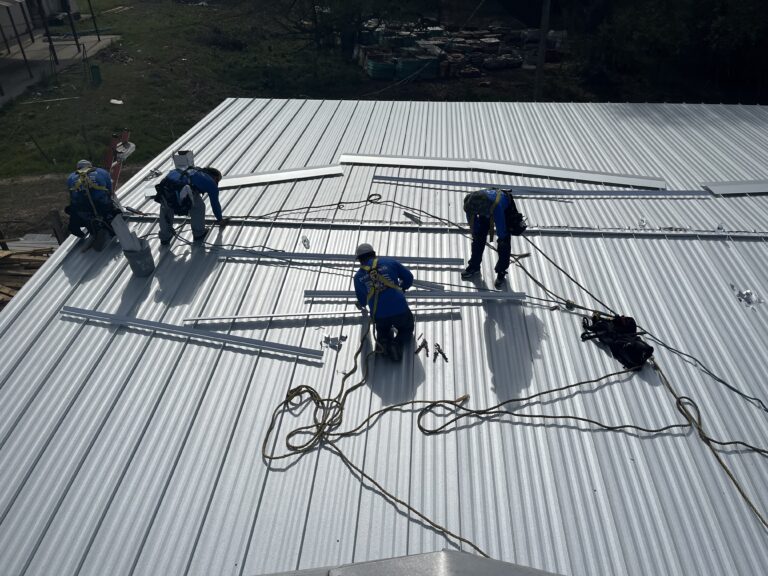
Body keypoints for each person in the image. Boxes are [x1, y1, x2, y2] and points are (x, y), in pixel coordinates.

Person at [353, 243, 414, 361]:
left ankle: (383, 343)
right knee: (406, 329)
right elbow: (408, 278)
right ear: (374, 254)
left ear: (360, 260)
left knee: (383, 330)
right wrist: (403, 287)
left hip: (379, 314)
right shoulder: (390, 262)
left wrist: (361, 302)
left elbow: (363, 301)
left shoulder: (358, 277)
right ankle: (397, 343)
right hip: (399, 309)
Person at [461, 188, 526, 288]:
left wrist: (503, 237)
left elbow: (502, 233)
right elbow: (474, 225)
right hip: (487, 205)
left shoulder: (497, 208)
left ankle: (501, 272)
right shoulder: (469, 203)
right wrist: (476, 234)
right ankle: (474, 266)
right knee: (478, 236)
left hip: (502, 204)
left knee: (504, 241)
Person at [154, 164, 225, 245]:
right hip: (181, 189)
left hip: (165, 187)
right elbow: (215, 204)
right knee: (199, 207)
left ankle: (164, 237)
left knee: (166, 209)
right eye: (217, 180)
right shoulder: (210, 182)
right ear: (214, 176)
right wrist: (220, 219)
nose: (216, 183)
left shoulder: (193, 170)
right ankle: (199, 233)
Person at [65, 159, 121, 248]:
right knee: (113, 213)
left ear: (78, 168)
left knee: (73, 210)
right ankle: (110, 227)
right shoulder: (102, 172)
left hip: (83, 210)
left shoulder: (71, 177)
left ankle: (88, 230)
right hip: (102, 207)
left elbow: (72, 196)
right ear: (90, 166)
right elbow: (110, 190)